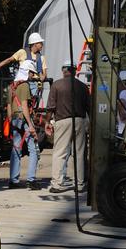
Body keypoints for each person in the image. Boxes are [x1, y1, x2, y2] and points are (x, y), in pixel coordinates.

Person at [48, 60, 90, 193]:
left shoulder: (56, 85)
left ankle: (57, 184)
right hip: (79, 120)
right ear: (75, 70)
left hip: (62, 120)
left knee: (60, 153)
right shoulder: (83, 87)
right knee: (79, 153)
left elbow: (51, 107)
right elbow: (89, 108)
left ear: (63, 70)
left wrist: (47, 122)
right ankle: (80, 184)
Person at [6, 58, 41, 189]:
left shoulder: (12, 86)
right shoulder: (25, 85)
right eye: (31, 73)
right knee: (33, 149)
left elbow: (9, 106)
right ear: (27, 72)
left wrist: (11, 121)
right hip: (24, 119)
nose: (32, 76)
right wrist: (31, 126)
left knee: (16, 149)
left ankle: (13, 180)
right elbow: (25, 106)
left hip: (15, 119)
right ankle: (31, 180)